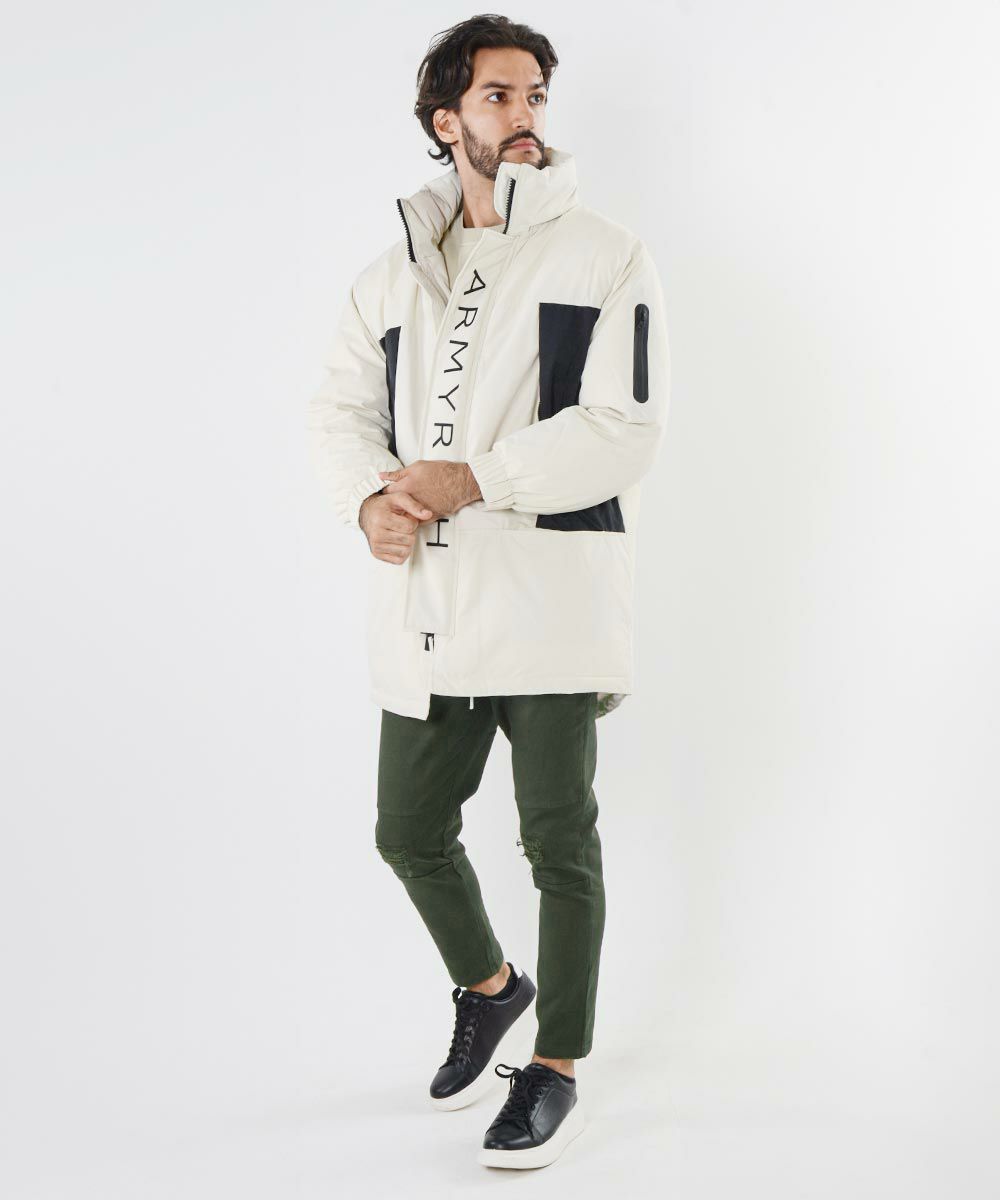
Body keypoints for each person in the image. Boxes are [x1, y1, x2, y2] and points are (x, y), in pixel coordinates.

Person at [307, 13, 670, 1170]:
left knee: (558, 839)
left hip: (552, 594)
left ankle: (555, 1065)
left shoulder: (603, 256)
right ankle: (490, 986)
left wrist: (479, 477)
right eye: (499, 96)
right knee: (408, 830)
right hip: (429, 600)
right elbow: (338, 413)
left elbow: (623, 428)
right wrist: (368, 500)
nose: (524, 117)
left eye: (535, 96)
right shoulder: (390, 276)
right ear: (444, 120)